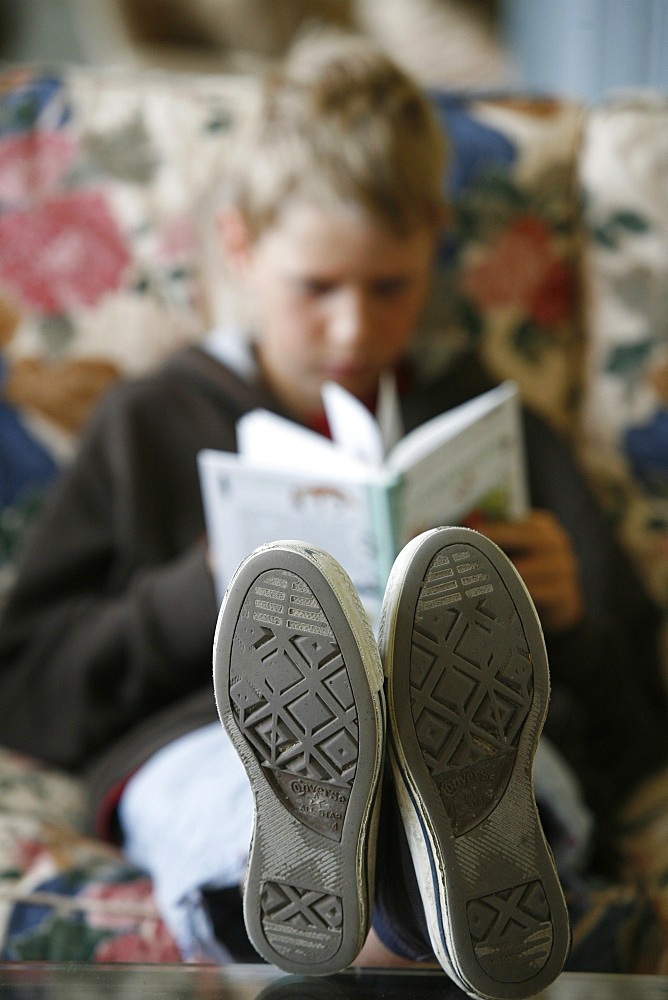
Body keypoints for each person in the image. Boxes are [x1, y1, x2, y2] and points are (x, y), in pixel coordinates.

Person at [0, 29, 666, 981]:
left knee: (465, 807)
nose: (354, 329)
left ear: (436, 244)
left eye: (389, 287)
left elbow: (641, 728)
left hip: (483, 748)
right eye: (317, 288)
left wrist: (566, 619)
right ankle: (381, 868)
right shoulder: (152, 420)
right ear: (240, 245)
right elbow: (28, 692)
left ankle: (422, 855)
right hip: (218, 745)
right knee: (295, 850)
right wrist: (205, 591)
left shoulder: (493, 427)